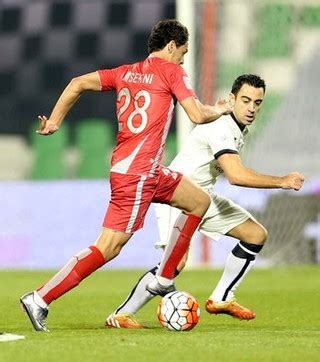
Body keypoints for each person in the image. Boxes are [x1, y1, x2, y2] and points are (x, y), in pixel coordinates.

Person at [20, 19, 234, 332]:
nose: (183, 60)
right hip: (137, 174)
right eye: (183, 53)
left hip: (144, 170)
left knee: (198, 201)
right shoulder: (171, 71)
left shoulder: (124, 72)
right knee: (108, 247)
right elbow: (198, 114)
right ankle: (40, 298)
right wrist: (221, 108)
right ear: (172, 46)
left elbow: (77, 82)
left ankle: (163, 277)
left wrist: (55, 121)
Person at [105, 74, 305, 329]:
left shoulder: (237, 128)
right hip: (176, 196)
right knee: (174, 264)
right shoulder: (221, 125)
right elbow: (235, 175)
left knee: (255, 234)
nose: (252, 108)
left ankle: (222, 297)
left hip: (203, 197)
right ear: (232, 99)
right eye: (245, 100)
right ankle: (121, 315)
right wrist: (282, 181)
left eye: (257, 102)